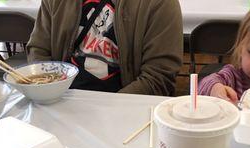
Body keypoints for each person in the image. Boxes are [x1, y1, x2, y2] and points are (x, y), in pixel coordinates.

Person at [26, 0, 183, 96]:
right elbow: (38, 50)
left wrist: (110, 107)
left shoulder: (160, 4)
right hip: (62, 97)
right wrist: (49, 92)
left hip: (124, 106)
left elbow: (158, 76)